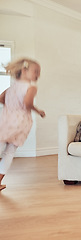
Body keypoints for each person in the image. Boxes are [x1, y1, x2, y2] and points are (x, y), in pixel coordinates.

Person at [0, 58, 46, 191]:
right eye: (36, 71)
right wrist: (39, 111)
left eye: (39, 72)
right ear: (24, 71)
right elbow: (27, 104)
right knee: (9, 153)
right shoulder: (31, 87)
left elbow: (1, 98)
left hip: (5, 120)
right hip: (20, 123)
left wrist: (10, 105)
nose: (38, 75)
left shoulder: (12, 87)